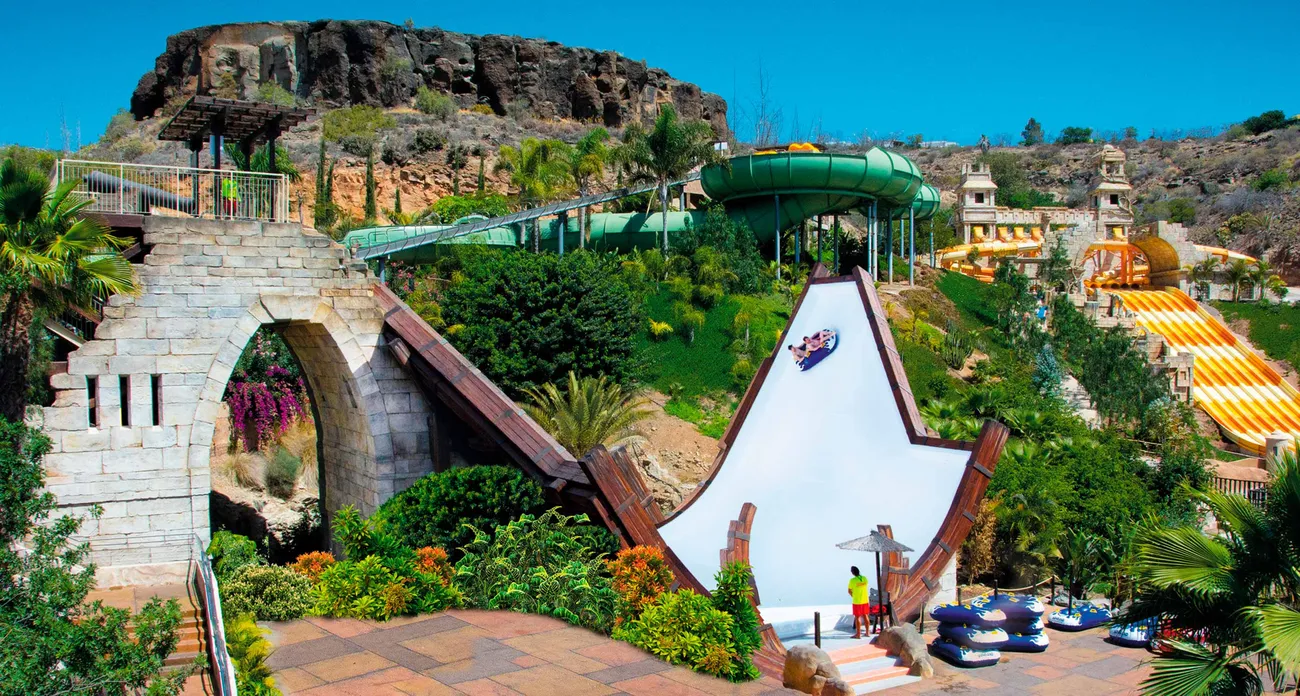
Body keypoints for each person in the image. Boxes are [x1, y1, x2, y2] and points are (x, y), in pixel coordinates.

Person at [848, 566, 870, 639]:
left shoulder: (852, 580)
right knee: (865, 615)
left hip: (857, 601)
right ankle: (867, 632)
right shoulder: (864, 578)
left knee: (857, 617)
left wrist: (853, 595)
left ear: (852, 572)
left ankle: (858, 634)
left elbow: (849, 590)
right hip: (865, 600)